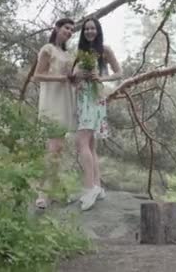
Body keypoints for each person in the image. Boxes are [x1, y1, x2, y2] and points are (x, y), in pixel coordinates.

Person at [72, 18, 122, 211]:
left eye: (93, 28)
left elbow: (119, 73)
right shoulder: (80, 53)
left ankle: (88, 187)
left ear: (98, 30)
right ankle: (98, 187)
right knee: (90, 145)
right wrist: (77, 77)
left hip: (94, 98)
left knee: (81, 142)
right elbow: (73, 79)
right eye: (86, 29)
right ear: (83, 32)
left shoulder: (105, 50)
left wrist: (101, 77)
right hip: (82, 97)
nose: (90, 31)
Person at [32, 18, 77, 209]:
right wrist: (61, 78)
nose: (69, 32)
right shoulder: (47, 49)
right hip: (52, 102)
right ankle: (42, 195)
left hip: (66, 100)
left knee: (58, 149)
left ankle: (55, 192)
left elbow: (70, 78)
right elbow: (37, 75)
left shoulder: (67, 54)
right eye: (67, 28)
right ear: (57, 28)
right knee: (53, 148)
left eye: (72, 30)